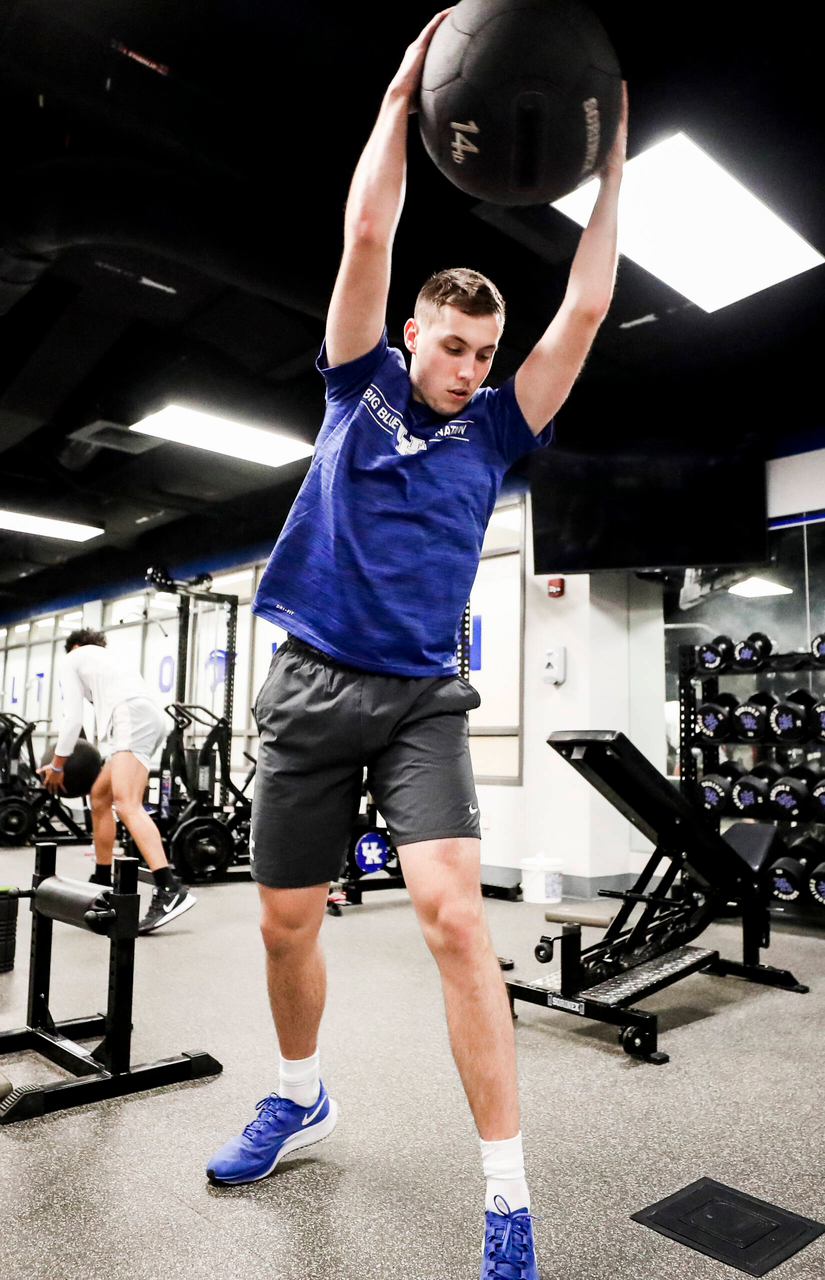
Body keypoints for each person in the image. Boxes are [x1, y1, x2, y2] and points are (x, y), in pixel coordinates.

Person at [207, 11, 626, 1278]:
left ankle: (506, 1197)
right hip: (307, 686)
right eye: (452, 344)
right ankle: (298, 1091)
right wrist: (399, 98)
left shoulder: (499, 431)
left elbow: (590, 301)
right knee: (285, 924)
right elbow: (368, 234)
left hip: (420, 704)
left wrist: (610, 165)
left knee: (452, 918)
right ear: (413, 337)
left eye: (483, 353)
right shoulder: (355, 382)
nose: (467, 364)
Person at [37, 628, 196, 934]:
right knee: (99, 795)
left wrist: (57, 765)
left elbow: (73, 719)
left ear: (74, 646)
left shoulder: (72, 659)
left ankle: (169, 888)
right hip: (143, 717)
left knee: (127, 804)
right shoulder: (107, 663)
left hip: (131, 717)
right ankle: (101, 878)